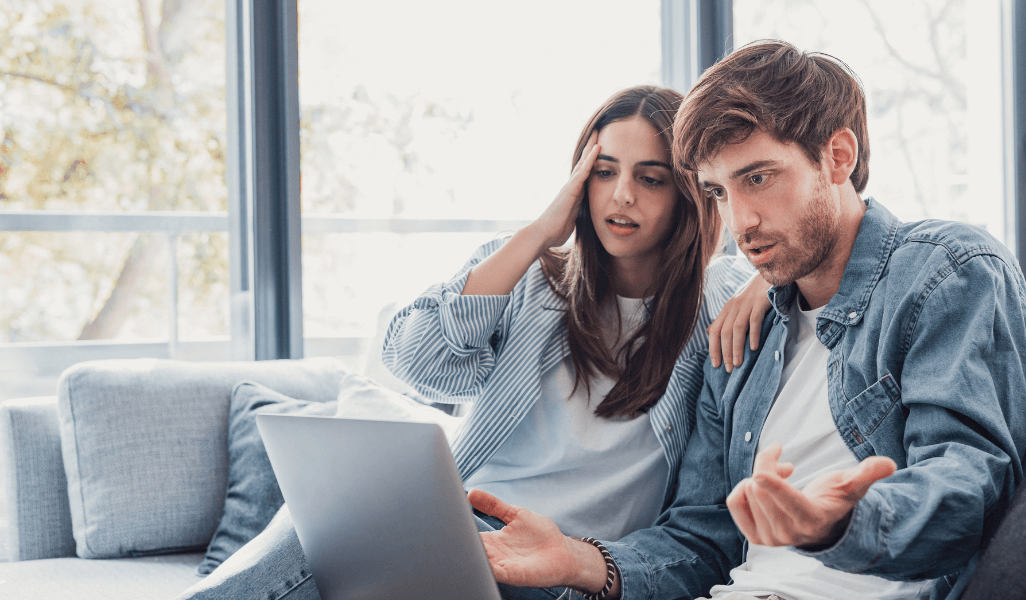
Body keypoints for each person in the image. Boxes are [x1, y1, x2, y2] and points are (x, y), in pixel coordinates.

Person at [468, 41, 1026, 600]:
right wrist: (578, 560)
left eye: (758, 178)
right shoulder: (742, 337)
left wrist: (837, 522)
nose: (740, 222)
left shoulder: (945, 274)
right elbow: (701, 540)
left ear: (838, 157)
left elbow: (971, 484)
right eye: (718, 191)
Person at [177, 85, 769, 600]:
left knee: (344, 529)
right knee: (325, 522)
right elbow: (416, 360)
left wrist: (768, 285)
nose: (621, 197)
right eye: (604, 172)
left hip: (563, 563)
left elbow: (802, 280)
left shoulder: (719, 299)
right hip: (465, 532)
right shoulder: (535, 278)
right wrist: (539, 233)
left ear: (689, 193)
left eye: (651, 179)